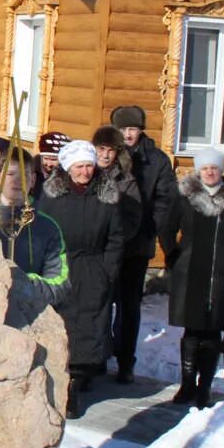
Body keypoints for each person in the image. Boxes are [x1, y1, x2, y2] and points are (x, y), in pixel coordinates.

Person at [36, 139, 126, 419]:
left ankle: (77, 379)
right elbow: (40, 231)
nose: (85, 172)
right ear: (68, 167)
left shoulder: (106, 196)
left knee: (89, 324)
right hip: (60, 266)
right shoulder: (52, 196)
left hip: (92, 267)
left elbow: (116, 237)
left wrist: (107, 268)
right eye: (79, 166)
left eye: (89, 166)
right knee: (62, 324)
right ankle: (67, 384)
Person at [160, 148, 224, 409]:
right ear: (198, 171)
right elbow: (167, 229)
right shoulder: (186, 198)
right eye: (204, 168)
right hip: (190, 274)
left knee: (213, 332)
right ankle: (187, 384)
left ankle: (205, 387)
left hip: (223, 277)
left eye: (214, 168)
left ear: (221, 170)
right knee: (191, 331)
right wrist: (173, 257)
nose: (210, 172)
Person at [110, 106, 179, 385]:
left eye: (133, 129)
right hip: (106, 244)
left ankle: (126, 361)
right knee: (101, 302)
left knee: (129, 305)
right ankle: (98, 357)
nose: (128, 134)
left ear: (141, 130)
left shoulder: (156, 161)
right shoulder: (106, 155)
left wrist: (150, 228)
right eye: (124, 129)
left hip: (137, 245)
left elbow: (166, 200)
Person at [0, 155, 68, 327]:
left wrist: (26, 285)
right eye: (10, 174)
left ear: (33, 180)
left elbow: (60, 280)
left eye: (25, 175)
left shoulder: (48, 227)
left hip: (32, 320)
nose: (18, 181)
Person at [94, 124, 143, 380]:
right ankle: (97, 357)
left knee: (124, 309)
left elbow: (133, 217)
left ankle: (125, 361)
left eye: (110, 151)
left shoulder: (126, 180)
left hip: (119, 254)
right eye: (100, 149)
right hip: (90, 253)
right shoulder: (86, 174)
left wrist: (115, 238)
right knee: (97, 307)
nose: (104, 155)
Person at [33, 131, 70, 197]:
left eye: (54, 159)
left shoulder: (69, 178)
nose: (49, 164)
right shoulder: (32, 172)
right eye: (46, 158)